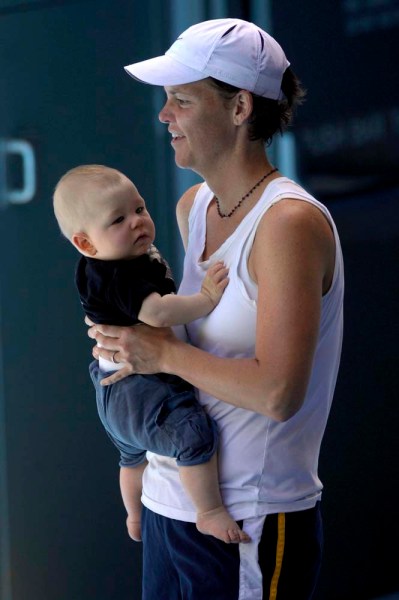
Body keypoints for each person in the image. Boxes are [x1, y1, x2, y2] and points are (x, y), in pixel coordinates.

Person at [87, 18, 344, 600]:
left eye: (181, 100)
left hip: (251, 519)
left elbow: (278, 393)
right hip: (166, 501)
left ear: (239, 109)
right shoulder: (192, 207)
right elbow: (181, 336)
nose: (164, 116)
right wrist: (124, 335)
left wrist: (161, 353)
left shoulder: (288, 224)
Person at [53, 164, 250, 545]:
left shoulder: (108, 262)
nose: (137, 222)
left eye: (140, 209)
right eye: (118, 219)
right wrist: (206, 298)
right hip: (142, 389)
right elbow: (158, 312)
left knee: (131, 457)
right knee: (193, 433)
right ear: (86, 244)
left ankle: (134, 516)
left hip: (113, 393)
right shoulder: (119, 275)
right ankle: (208, 511)